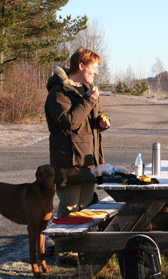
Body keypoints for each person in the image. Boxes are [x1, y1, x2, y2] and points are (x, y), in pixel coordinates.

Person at [45, 47, 111, 219]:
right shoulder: (58, 92)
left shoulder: (89, 89)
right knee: (70, 210)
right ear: (81, 66)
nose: (96, 73)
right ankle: (62, 246)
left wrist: (102, 122)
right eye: (94, 68)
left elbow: (97, 114)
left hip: (89, 162)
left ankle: (81, 246)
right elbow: (70, 122)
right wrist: (88, 100)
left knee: (86, 209)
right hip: (69, 164)